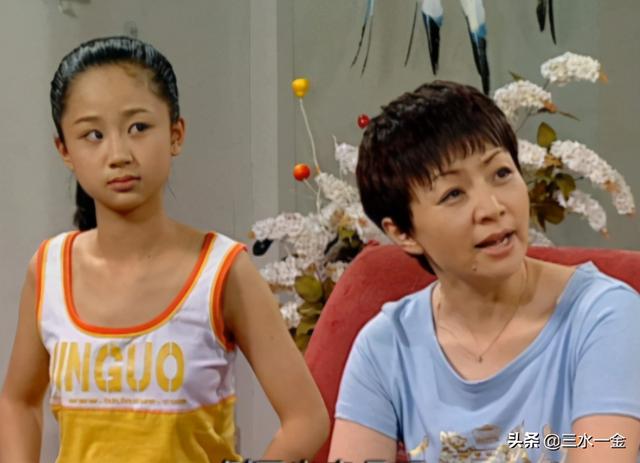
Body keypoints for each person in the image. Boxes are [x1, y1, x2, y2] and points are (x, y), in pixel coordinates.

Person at [0, 36, 328, 463]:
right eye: (93, 135)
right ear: (64, 150)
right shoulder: (48, 269)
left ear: (176, 134)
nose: (118, 154)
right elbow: (19, 401)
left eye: (138, 128)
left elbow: (307, 418)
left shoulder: (221, 270)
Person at [328, 81, 640, 462]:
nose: (492, 207)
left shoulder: (604, 315)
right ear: (403, 233)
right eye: (453, 194)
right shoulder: (387, 345)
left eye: (501, 173)